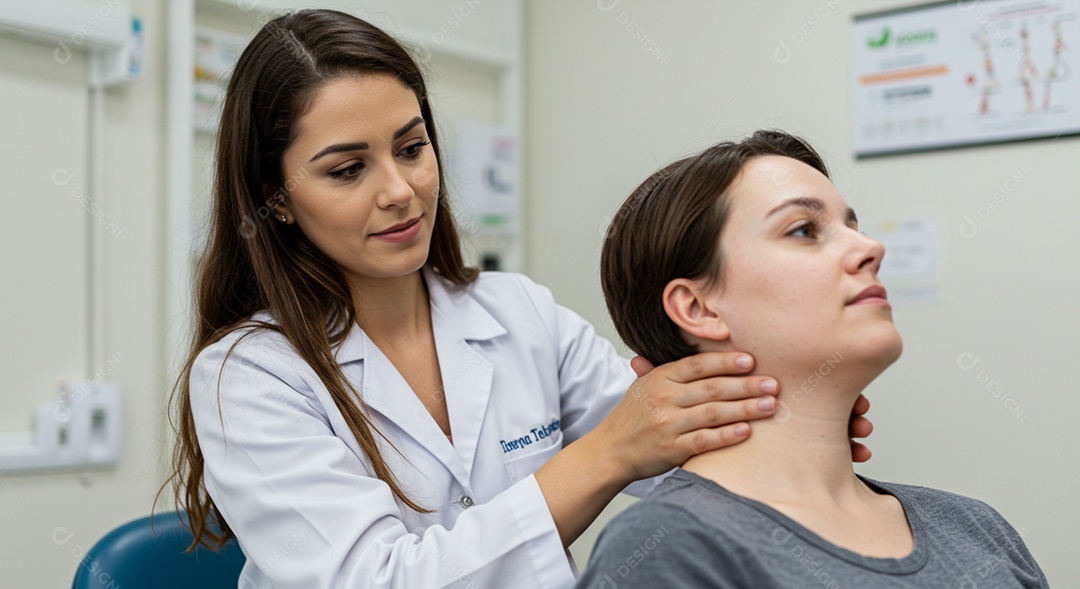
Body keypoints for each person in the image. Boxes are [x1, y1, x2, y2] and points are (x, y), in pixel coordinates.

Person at [163, 11, 875, 589]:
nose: (400, 190)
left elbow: (675, 457)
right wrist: (607, 453)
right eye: (349, 169)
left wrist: (773, 418)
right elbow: (376, 581)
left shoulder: (517, 314)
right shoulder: (248, 376)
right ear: (275, 198)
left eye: (411, 148)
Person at [577, 130, 1049, 588]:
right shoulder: (671, 550)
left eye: (853, 227)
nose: (871, 248)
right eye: (804, 230)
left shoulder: (976, 528)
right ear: (698, 308)